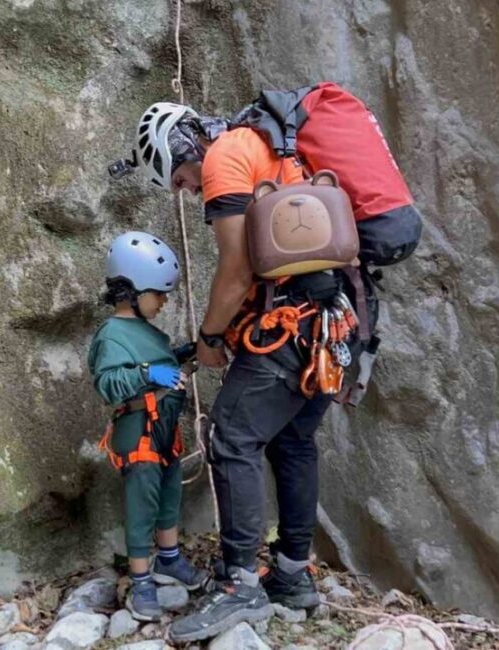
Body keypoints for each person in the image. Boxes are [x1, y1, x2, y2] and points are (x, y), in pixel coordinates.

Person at [125, 86, 421, 643]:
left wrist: (211, 336)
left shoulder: (225, 156)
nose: (187, 191)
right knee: (292, 440)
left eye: (179, 180)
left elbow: (236, 272)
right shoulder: (270, 147)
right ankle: (291, 574)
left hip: (297, 326)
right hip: (344, 322)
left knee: (233, 436)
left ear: (177, 148)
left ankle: (239, 585)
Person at [87, 231, 209, 622]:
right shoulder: (111, 335)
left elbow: (159, 363)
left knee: (170, 493)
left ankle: (169, 559)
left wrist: (179, 356)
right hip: (138, 430)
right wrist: (147, 371)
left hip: (165, 430)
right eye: (159, 293)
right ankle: (141, 580)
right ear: (132, 292)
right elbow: (108, 383)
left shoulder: (151, 333)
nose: (165, 300)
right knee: (142, 502)